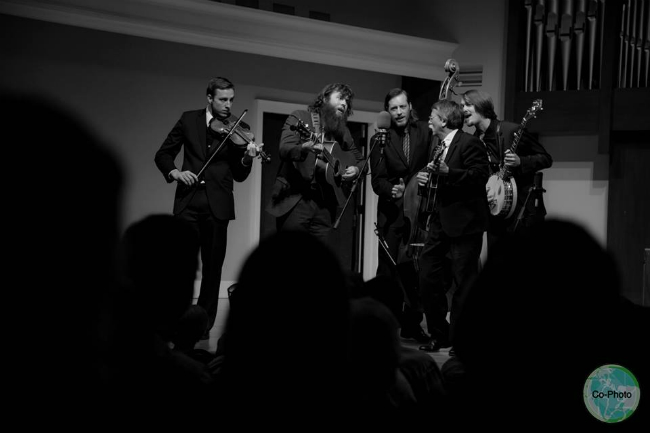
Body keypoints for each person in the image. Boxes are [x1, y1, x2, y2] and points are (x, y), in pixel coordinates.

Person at [154, 77, 261, 340]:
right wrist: (176, 173)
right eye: (223, 99)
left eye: (231, 100)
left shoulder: (239, 128)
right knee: (179, 265)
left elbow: (239, 174)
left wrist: (247, 157)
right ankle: (173, 321)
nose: (228, 105)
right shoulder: (188, 119)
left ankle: (203, 327)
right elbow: (163, 154)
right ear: (209, 98)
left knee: (213, 268)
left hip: (218, 207)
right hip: (188, 202)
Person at [416, 99, 490, 353]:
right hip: (439, 220)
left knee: (463, 284)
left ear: (444, 120)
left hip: (465, 223)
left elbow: (480, 177)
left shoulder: (470, 143)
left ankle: (461, 340)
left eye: (432, 116)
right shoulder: (437, 146)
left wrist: (449, 172)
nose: (428, 120)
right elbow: (439, 180)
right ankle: (439, 334)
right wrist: (426, 179)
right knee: (427, 275)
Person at [265, 83, 364, 246]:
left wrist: (356, 169)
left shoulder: (343, 133)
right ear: (324, 98)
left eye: (347, 102)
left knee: (320, 264)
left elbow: (361, 162)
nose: (344, 104)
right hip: (296, 200)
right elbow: (284, 149)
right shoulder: (300, 117)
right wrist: (304, 148)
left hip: (325, 207)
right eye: (339, 98)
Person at [369, 88, 432, 343]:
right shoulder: (379, 139)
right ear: (388, 111)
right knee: (388, 271)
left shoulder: (425, 132)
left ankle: (411, 324)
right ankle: (382, 326)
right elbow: (377, 180)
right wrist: (391, 189)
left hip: (417, 212)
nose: (398, 112)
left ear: (409, 107)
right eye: (393, 108)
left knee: (414, 272)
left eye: (402, 107)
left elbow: (428, 164)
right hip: (391, 212)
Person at [460, 89, 552, 249]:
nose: (463, 110)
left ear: (481, 105)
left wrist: (520, 162)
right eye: (462, 106)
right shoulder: (474, 140)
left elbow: (546, 158)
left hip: (521, 214)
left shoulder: (510, 130)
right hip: (495, 214)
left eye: (468, 105)